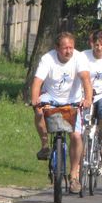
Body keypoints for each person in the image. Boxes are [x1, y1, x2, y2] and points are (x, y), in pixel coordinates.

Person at [31, 32, 93, 192]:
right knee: (39, 111)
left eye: (71, 47)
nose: (68, 51)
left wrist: (87, 99)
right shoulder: (48, 59)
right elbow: (38, 81)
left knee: (76, 136)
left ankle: (74, 175)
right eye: (65, 48)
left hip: (72, 101)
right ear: (57, 48)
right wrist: (35, 100)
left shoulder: (79, 58)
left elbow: (85, 79)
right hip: (51, 98)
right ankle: (45, 144)